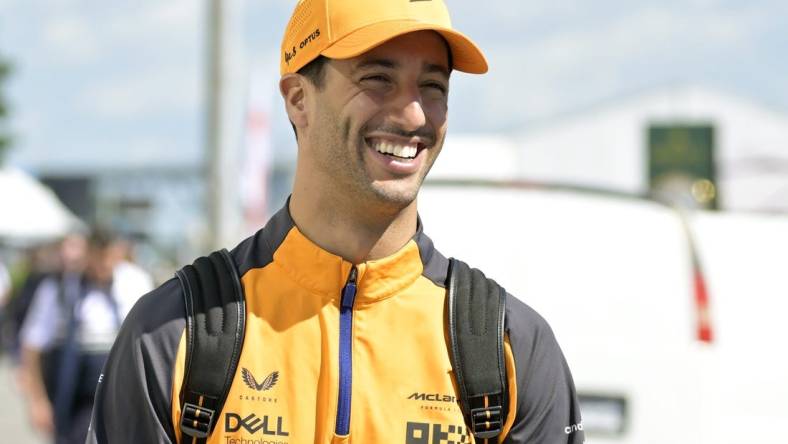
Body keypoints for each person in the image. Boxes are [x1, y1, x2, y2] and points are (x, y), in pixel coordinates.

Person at [88, 0, 584, 442]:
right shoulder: (175, 334)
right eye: (377, 79)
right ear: (298, 100)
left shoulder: (508, 345)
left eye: (432, 86)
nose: (413, 114)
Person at [18, 230, 152, 444]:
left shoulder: (135, 283)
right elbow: (31, 346)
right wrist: (38, 402)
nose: (105, 266)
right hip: (73, 398)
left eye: (111, 258)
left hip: (122, 393)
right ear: (88, 255)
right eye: (99, 258)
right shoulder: (58, 288)